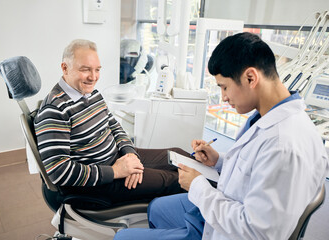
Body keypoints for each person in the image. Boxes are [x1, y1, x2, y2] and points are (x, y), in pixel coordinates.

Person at [114, 32, 329, 240]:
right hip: (226, 205)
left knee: (123, 237)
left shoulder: (285, 145)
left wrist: (198, 187)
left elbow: (257, 232)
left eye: (224, 87)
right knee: (157, 208)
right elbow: (255, 169)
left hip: (229, 228)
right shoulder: (266, 116)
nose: (224, 97)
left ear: (251, 77)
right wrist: (219, 161)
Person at [34, 39, 188, 205]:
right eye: (85, 70)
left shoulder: (92, 94)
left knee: (177, 156)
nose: (93, 77)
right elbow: (58, 171)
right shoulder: (55, 110)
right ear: (65, 68)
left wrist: (130, 154)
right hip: (99, 184)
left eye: (97, 70)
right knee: (176, 179)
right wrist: (115, 171)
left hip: (118, 159)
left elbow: (114, 126)